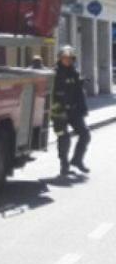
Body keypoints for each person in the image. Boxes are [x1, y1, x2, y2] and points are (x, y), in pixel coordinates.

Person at [51, 45, 90, 176]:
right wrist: (56, 111)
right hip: (59, 113)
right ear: (60, 59)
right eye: (65, 58)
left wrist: (83, 109)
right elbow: (50, 95)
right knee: (64, 138)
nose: (67, 61)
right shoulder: (54, 74)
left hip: (74, 112)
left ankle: (77, 160)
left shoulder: (75, 73)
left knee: (85, 135)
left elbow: (79, 93)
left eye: (70, 59)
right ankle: (64, 165)